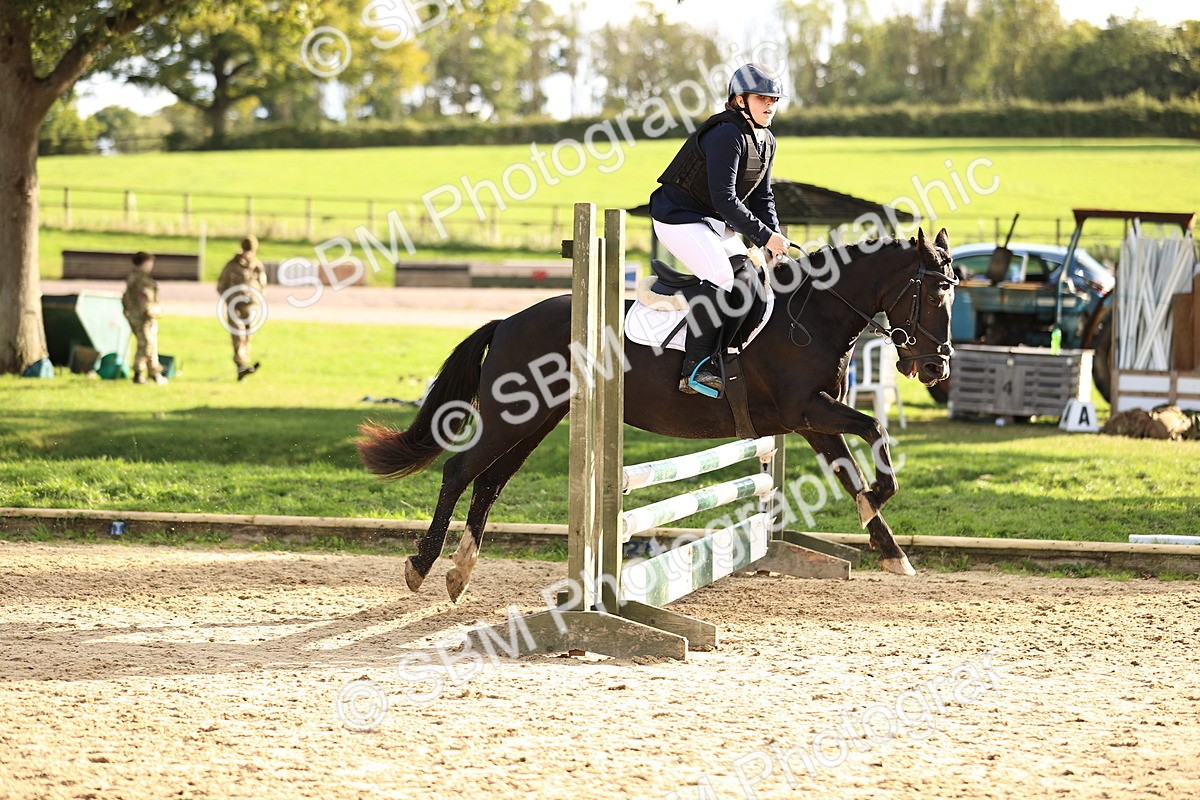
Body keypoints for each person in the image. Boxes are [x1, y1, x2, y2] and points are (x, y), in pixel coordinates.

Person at [649, 63, 791, 395]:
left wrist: (774, 238)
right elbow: (725, 199)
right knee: (722, 277)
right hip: (678, 217)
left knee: (753, 282)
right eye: (761, 98)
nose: (769, 105)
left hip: (710, 221)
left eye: (773, 99)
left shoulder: (766, 140)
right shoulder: (727, 134)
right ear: (740, 100)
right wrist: (764, 236)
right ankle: (695, 367)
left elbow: (763, 197)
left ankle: (726, 356)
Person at [217, 235, 267, 381]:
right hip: (235, 307)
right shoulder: (232, 265)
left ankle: (243, 363)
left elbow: (263, 284)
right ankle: (241, 365)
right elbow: (221, 285)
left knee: (248, 336)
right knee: (238, 336)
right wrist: (229, 299)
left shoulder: (257, 265)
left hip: (251, 307)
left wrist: (259, 299)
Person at [121, 251, 168, 385]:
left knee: (150, 344)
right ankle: (139, 373)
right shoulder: (140, 279)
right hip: (142, 317)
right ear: (144, 263)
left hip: (138, 315)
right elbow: (145, 298)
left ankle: (154, 373)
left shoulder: (135, 276)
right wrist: (150, 311)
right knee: (146, 344)